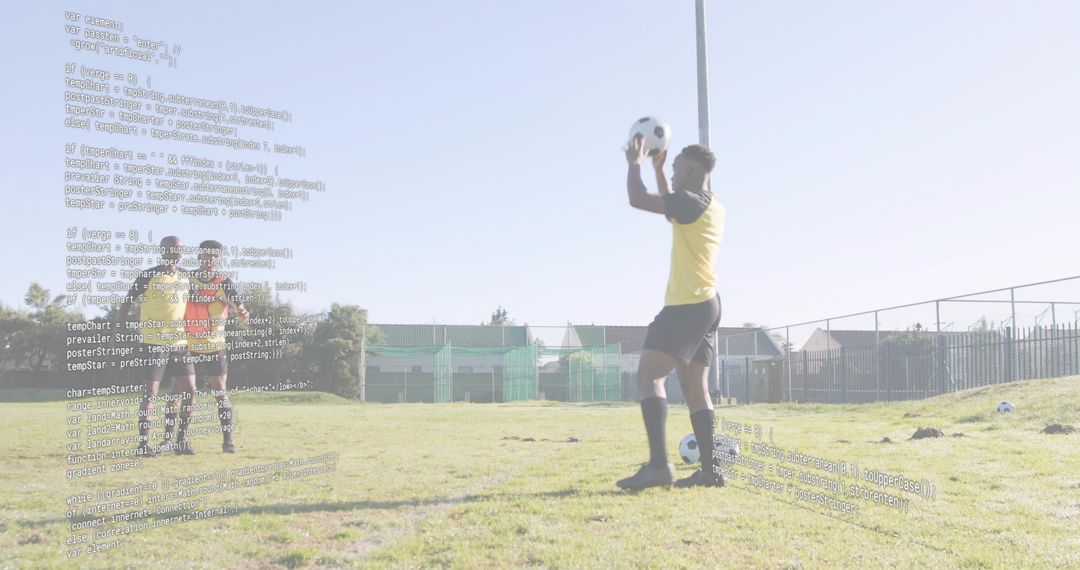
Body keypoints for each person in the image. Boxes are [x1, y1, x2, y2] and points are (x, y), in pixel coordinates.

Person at [616, 136, 726, 490]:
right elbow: (671, 208)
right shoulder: (710, 205)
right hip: (708, 303)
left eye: (676, 169)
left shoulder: (690, 201)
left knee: (649, 377)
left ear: (692, 170)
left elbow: (638, 199)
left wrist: (635, 162)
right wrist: (660, 169)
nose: (674, 175)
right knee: (696, 388)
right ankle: (710, 472)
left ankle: (659, 466)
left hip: (686, 305)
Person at [159, 240, 249, 453]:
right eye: (206, 256)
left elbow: (239, 306)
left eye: (215, 257)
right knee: (177, 392)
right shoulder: (186, 279)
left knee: (221, 393)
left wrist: (243, 313)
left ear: (218, 260)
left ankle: (228, 442)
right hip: (186, 346)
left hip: (214, 346)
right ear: (199, 257)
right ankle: (171, 440)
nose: (210, 260)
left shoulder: (224, 282)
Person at [117, 236, 196, 457]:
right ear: (163, 251)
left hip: (180, 343)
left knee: (190, 390)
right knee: (150, 393)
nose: (177, 252)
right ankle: (143, 445)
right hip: (153, 343)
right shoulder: (149, 275)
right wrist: (120, 330)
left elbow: (199, 303)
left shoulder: (186, 276)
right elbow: (127, 302)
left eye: (180, 248)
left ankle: (180, 442)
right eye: (172, 248)